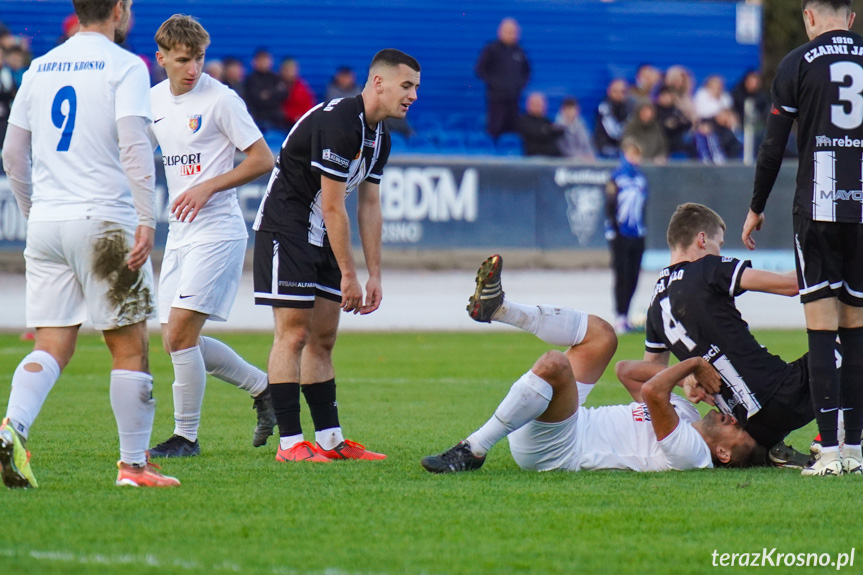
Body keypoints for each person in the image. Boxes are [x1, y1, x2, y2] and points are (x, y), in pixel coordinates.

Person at [0, 0, 179, 488]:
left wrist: (35, 213)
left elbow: (12, 153)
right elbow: (134, 143)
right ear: (119, 9)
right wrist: (146, 218)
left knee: (52, 343)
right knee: (129, 347)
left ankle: (11, 427)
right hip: (103, 219)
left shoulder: (39, 67)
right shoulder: (125, 65)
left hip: (48, 223)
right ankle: (133, 467)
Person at [423, 255, 760, 474]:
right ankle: (500, 310)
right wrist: (684, 382)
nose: (732, 417)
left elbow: (654, 393)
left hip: (559, 450)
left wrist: (692, 366)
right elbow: (626, 371)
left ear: (723, 454)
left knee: (554, 364)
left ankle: (473, 448)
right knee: (603, 336)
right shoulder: (687, 415)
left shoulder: (694, 456)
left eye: (736, 429)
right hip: (570, 421)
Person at [252, 49, 420, 463]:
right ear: (378, 83)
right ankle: (290, 444)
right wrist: (350, 273)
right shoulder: (340, 121)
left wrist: (374, 273)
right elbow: (332, 205)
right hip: (287, 229)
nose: (414, 95)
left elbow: (369, 206)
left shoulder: (380, 136)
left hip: (323, 234)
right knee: (293, 334)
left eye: (416, 87)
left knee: (323, 338)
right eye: (407, 85)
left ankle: (330, 440)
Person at [145, 14, 276, 458]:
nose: (193, 69)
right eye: (183, 60)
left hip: (218, 231)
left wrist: (207, 185)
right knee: (177, 341)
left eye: (199, 58)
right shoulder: (153, 101)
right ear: (161, 57)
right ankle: (264, 387)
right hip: (179, 232)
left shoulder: (222, 100)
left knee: (180, 335)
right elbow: (136, 154)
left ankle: (186, 437)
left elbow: (263, 159)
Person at [741, 0, 863, 476]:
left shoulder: (797, 62)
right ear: (851, 18)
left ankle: (829, 452)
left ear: (809, 17)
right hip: (860, 208)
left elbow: (773, 146)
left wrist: (756, 207)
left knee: (821, 327)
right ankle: (854, 449)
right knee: (855, 329)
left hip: (819, 205)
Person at [637, 203, 830, 470]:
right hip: (780, 395)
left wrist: (684, 376)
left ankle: (767, 450)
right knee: (850, 335)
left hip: (745, 425)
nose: (720, 251)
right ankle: (833, 437)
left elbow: (654, 373)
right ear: (702, 239)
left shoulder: (655, 306)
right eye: (719, 243)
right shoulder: (707, 268)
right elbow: (791, 286)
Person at [605, 139, 648, 334]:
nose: (635, 159)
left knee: (633, 275)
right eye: (632, 154)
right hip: (620, 233)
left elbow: (643, 207)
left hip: (637, 233)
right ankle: (620, 315)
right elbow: (610, 205)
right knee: (621, 274)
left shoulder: (641, 179)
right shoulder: (616, 178)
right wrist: (614, 229)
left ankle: (627, 313)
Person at [475, 17, 530, 140]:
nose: (512, 35)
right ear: (501, 32)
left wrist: (519, 85)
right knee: (495, 130)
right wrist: (495, 83)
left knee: (512, 131)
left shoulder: (519, 51)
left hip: (514, 99)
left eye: (514, 32)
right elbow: (480, 70)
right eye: (509, 32)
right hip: (496, 100)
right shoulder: (492, 49)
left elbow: (527, 71)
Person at [243, 48, 285, 132]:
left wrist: (268, 94)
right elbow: (256, 99)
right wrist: (274, 93)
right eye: (261, 60)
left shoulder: (275, 77)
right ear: (255, 62)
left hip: (277, 119)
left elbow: (284, 93)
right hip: (259, 119)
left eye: (266, 60)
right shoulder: (251, 79)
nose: (264, 63)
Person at [517, 91, 563, 157]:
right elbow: (535, 133)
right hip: (533, 157)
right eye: (535, 104)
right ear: (528, 105)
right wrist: (548, 131)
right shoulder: (523, 120)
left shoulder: (546, 120)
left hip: (553, 157)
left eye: (540, 104)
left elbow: (557, 131)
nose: (538, 106)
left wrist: (547, 131)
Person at [594, 78, 629, 158]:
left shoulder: (627, 107)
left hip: (621, 147)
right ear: (609, 92)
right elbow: (614, 132)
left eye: (622, 92)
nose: (619, 95)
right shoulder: (604, 108)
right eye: (615, 91)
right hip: (605, 147)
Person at [278, 57, 315, 130]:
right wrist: (292, 116)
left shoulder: (302, 87)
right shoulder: (277, 86)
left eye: (292, 70)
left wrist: (302, 118)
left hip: (300, 123)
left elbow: (308, 105)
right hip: (282, 123)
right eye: (287, 70)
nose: (290, 73)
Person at [655, 86, 693, 156]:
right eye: (664, 95)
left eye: (668, 96)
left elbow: (688, 124)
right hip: (661, 139)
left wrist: (679, 123)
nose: (666, 98)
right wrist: (667, 124)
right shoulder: (655, 110)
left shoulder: (676, 110)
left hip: (676, 138)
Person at [554, 97, 594, 161]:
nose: (570, 112)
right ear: (562, 110)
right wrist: (580, 158)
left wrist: (590, 155)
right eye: (568, 109)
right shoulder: (558, 127)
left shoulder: (581, 125)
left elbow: (587, 144)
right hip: (567, 161)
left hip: (584, 160)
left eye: (572, 109)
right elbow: (563, 149)